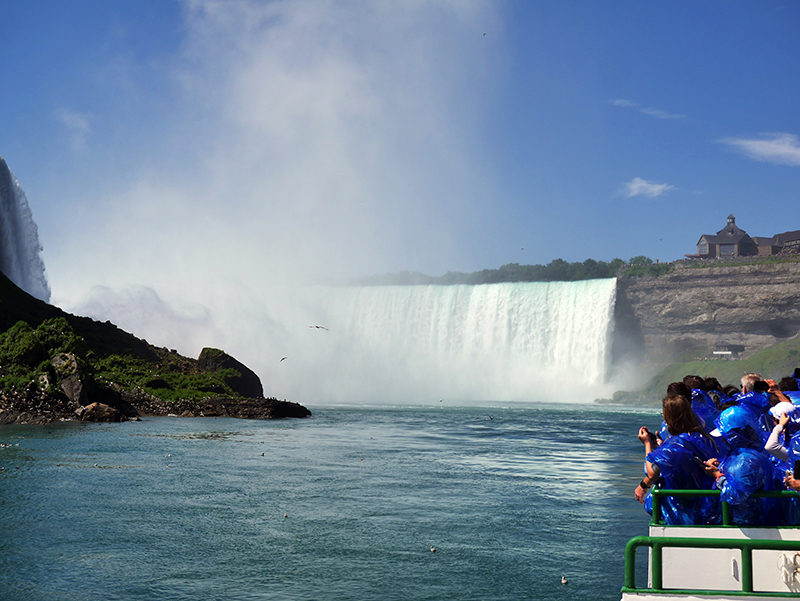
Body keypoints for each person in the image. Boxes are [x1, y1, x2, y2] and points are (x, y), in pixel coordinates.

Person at [634, 395, 720, 525]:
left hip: (682, 510)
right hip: (705, 505)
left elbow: (652, 474)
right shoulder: (703, 438)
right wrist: (660, 449)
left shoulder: (673, 445)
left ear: (669, 417)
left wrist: (647, 444)